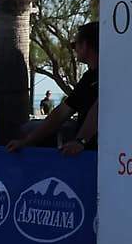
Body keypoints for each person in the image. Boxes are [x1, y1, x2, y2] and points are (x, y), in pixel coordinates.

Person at [8, 24, 99, 155]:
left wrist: (80, 141)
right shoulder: (88, 78)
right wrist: (27, 141)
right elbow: (61, 112)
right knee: (31, 128)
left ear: (85, 45)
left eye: (74, 45)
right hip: (83, 152)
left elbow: (100, 108)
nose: (74, 49)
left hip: (100, 156)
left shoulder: (107, 76)